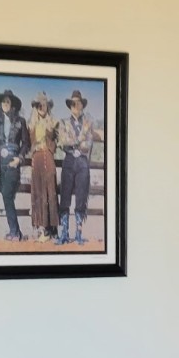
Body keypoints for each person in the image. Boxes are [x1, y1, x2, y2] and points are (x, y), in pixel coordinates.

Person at [57, 88, 103, 245]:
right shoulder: (63, 122)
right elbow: (62, 142)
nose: (76, 107)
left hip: (82, 162)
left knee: (81, 198)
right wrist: (78, 142)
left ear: (82, 105)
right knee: (65, 197)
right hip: (69, 161)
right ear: (70, 106)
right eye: (73, 104)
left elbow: (88, 143)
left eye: (78, 104)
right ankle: (64, 233)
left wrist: (74, 142)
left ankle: (78, 233)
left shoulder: (88, 123)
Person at [0, 89, 30, 241]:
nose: (5, 104)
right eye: (3, 102)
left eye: (8, 102)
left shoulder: (20, 121)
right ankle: (15, 231)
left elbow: (26, 143)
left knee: (8, 194)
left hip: (13, 160)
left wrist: (19, 158)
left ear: (13, 104)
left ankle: (15, 231)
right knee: (5, 195)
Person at [28, 93, 58, 241]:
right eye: (38, 105)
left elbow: (59, 140)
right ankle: (41, 228)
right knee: (38, 192)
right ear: (35, 107)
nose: (41, 107)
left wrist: (51, 146)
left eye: (44, 104)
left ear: (47, 106)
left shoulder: (53, 122)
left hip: (48, 157)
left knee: (50, 191)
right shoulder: (31, 124)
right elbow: (29, 143)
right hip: (37, 159)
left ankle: (52, 228)